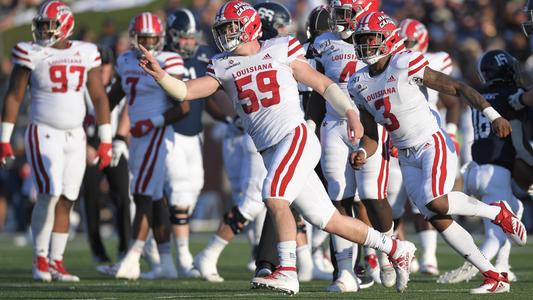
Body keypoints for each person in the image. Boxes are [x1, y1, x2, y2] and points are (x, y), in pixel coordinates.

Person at [138, 1, 416, 295]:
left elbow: (323, 85)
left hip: (294, 137)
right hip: (270, 150)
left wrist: (350, 114)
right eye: (222, 29)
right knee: (327, 219)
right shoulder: (223, 64)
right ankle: (396, 247)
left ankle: (286, 271)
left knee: (272, 195)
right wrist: (161, 76)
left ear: (250, 25)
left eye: (231, 26)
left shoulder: (281, 47)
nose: (225, 34)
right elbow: (185, 91)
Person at [348, 11, 527, 294]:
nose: (365, 45)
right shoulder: (357, 83)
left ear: (389, 39)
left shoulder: (404, 62)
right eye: (362, 40)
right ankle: (494, 276)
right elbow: (371, 135)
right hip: (405, 154)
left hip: (432, 142)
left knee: (437, 202)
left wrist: (493, 115)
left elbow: (458, 87)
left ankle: (497, 212)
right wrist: (361, 151)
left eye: (371, 39)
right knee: (437, 217)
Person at [0, 0, 113, 282]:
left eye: (49, 25)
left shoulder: (86, 52)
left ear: (66, 26)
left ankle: (56, 262)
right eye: (41, 25)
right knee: (49, 191)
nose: (44, 31)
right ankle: (40, 258)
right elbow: (14, 95)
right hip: (43, 131)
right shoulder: (30, 52)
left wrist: (106, 139)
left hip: (75, 134)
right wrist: (4, 138)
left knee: (67, 198)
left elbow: (99, 96)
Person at [307, 0, 395, 291]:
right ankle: (345, 271)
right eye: (336, 14)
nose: (338, 20)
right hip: (333, 125)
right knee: (339, 197)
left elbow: (394, 85)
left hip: (370, 126)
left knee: (371, 195)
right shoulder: (323, 42)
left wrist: (395, 128)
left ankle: (388, 254)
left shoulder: (377, 36)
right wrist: (310, 126)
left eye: (344, 14)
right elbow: (317, 91)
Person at [98, 12, 185, 280]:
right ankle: (166, 263)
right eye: (143, 38)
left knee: (142, 194)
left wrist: (153, 122)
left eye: (152, 38)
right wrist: (96, 115)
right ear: (135, 38)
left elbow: (183, 106)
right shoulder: (125, 60)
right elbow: (119, 92)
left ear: (160, 39)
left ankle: (132, 259)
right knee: (156, 198)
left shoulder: (169, 60)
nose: (147, 43)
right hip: (137, 136)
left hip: (156, 134)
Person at [438, 50, 532, 284]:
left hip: (475, 168)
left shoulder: (479, 93)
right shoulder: (512, 95)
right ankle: (476, 265)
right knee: (498, 231)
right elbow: (519, 143)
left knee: (515, 209)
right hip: (495, 171)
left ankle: (502, 266)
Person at [163, 8, 234, 280]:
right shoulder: (166, 59)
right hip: (170, 135)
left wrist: (226, 118)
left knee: (192, 191)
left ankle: (170, 248)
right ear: (172, 36)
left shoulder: (205, 56)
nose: (189, 43)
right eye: (183, 38)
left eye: (191, 37)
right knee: (180, 193)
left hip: (195, 135)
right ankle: (181, 256)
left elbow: (208, 99)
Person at [391, 17, 462, 276]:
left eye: (408, 40)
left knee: (429, 197)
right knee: (396, 203)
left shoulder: (433, 60)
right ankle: (396, 253)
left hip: (429, 133)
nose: (403, 44)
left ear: (420, 40)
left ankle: (429, 256)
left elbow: (451, 99)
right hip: (397, 134)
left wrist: (452, 132)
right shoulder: (390, 63)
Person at [82, 45, 132, 264]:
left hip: (113, 143)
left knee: (123, 196)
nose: (102, 72)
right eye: (98, 68)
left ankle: (125, 246)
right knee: (90, 199)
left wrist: (121, 140)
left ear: (112, 69)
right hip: (90, 144)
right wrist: (83, 144)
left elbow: (129, 110)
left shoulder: (118, 87)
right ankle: (97, 249)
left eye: (106, 68)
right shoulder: (83, 87)